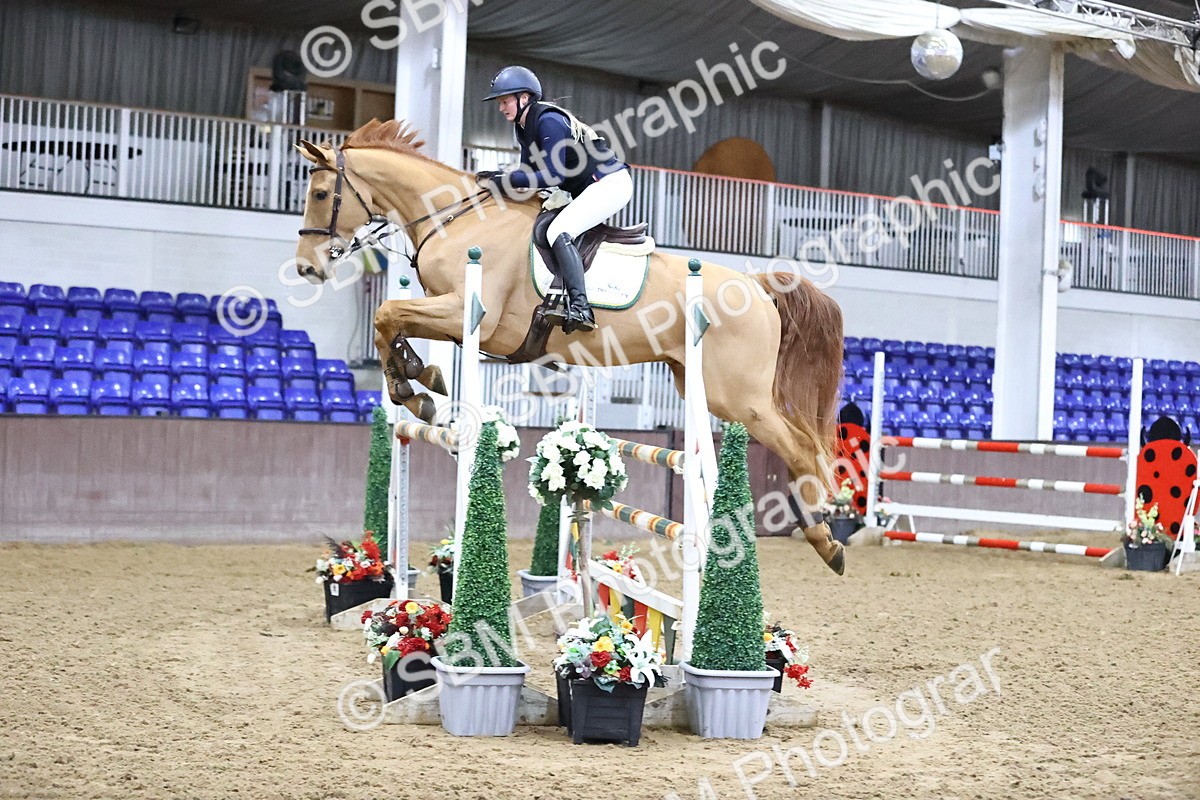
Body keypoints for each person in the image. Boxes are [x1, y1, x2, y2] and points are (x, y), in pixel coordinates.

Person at [478, 65, 633, 333]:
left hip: (610, 183)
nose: (501, 107)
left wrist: (505, 179)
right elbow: (527, 174)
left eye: (505, 101)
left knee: (559, 230)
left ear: (524, 98)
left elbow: (551, 175)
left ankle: (581, 307)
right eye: (500, 102)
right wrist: (497, 183)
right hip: (588, 188)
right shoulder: (522, 128)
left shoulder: (548, 120)